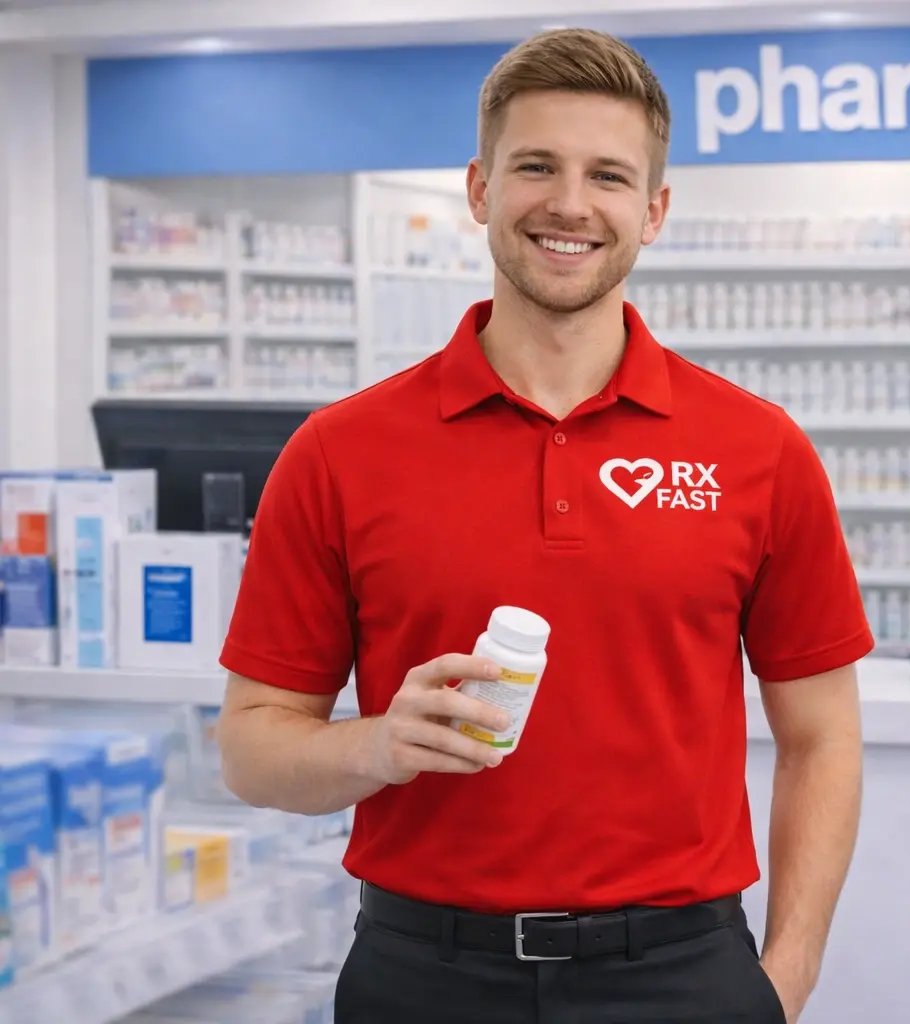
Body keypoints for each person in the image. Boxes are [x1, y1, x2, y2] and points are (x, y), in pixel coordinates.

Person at [215, 26, 872, 1024]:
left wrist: (786, 975)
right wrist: (379, 746)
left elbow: (822, 735)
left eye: (608, 175)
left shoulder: (759, 450)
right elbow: (252, 749)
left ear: (652, 212)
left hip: (683, 970)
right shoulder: (340, 451)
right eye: (536, 166)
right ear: (479, 189)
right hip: (423, 973)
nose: (570, 203)